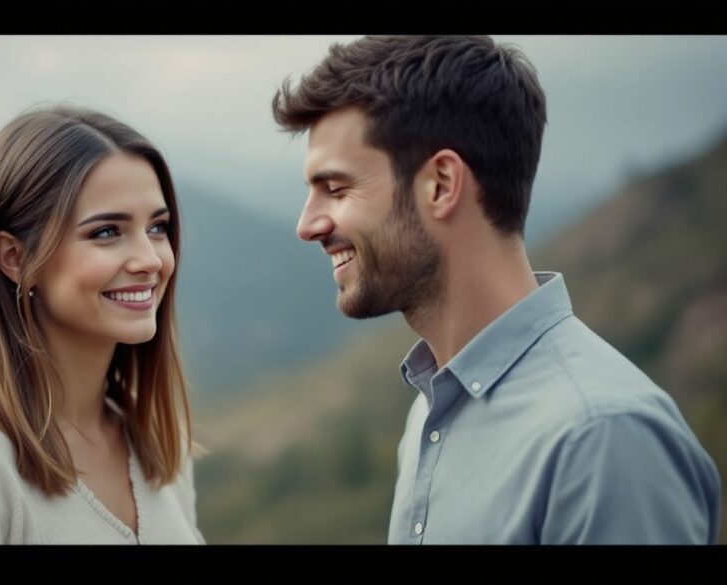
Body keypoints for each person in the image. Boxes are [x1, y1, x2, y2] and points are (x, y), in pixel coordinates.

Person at [272, 35, 720, 544]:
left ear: (441, 184)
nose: (306, 225)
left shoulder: (603, 440)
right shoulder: (429, 412)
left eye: (335, 188)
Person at [0, 105, 204, 544]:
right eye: (106, 232)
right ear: (15, 257)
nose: (150, 259)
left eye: (158, 227)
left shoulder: (159, 447)